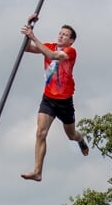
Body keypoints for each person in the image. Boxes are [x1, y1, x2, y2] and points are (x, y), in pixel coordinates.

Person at [20, 13, 89, 182]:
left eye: (65, 35)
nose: (60, 35)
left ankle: (80, 139)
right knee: (40, 133)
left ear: (71, 40)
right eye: (60, 33)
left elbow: (52, 56)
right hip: (48, 99)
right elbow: (26, 47)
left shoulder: (70, 51)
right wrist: (29, 25)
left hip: (65, 102)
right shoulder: (50, 45)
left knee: (71, 135)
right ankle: (37, 171)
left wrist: (33, 36)